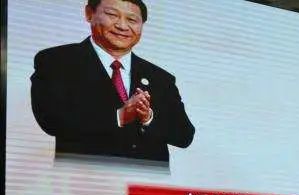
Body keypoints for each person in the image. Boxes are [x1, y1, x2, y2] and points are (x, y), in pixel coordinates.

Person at [31, 0, 194, 164]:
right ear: (89, 13)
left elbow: (185, 136)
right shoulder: (56, 61)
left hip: (146, 178)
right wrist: (119, 117)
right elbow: (51, 120)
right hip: (84, 176)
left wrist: (148, 117)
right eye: (112, 15)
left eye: (132, 20)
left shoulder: (161, 78)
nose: (122, 26)